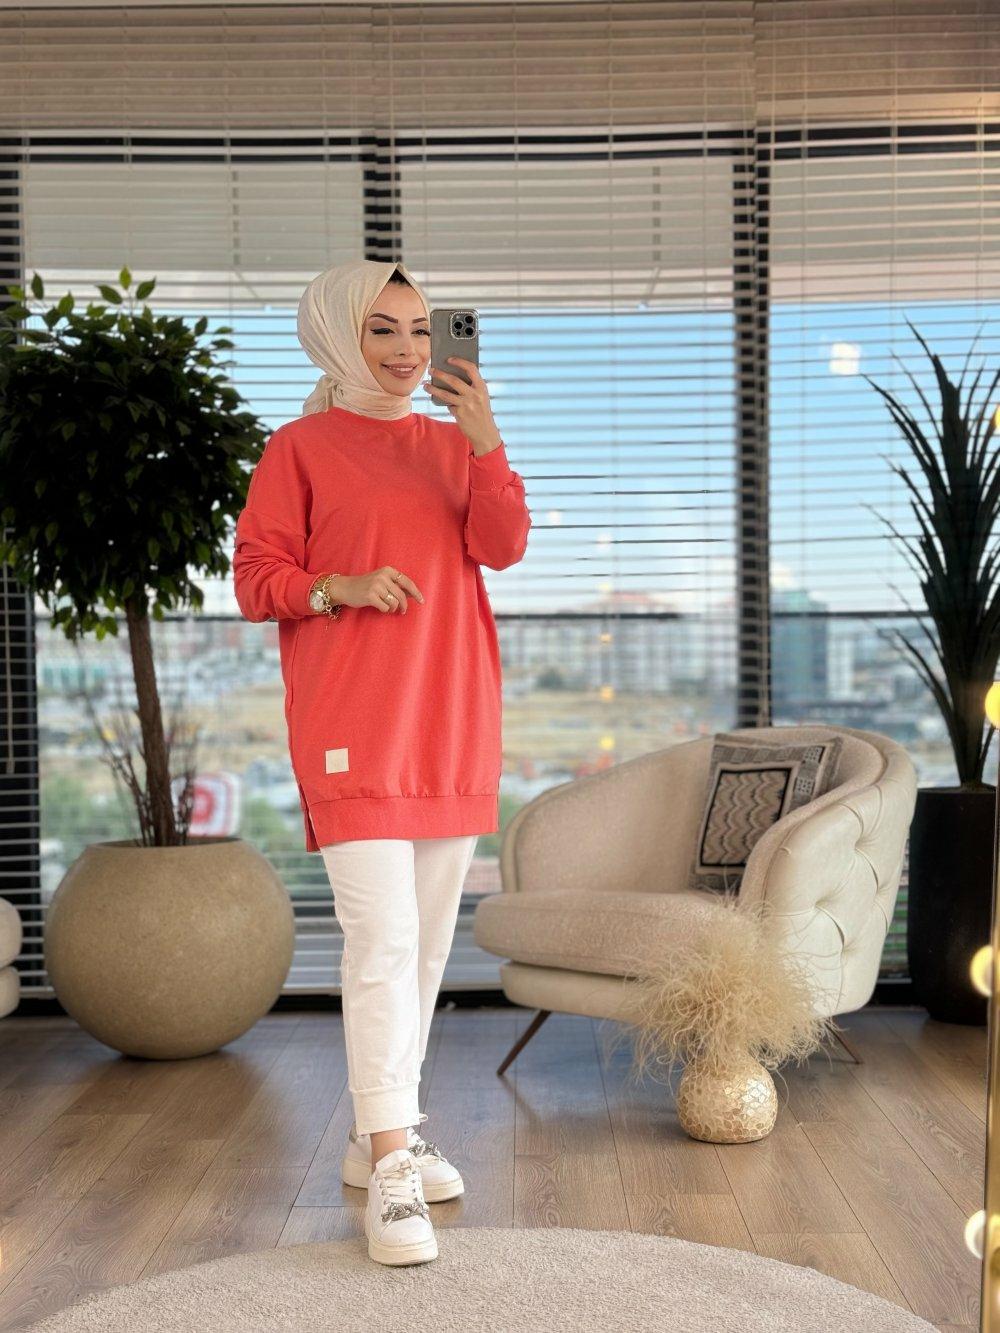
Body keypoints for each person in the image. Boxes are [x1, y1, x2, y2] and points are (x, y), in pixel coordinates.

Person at [232, 258, 531, 1266]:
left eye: (418, 330)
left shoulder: (454, 446)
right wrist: (341, 586)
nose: (407, 351)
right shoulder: (299, 449)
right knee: (382, 940)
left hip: (451, 718)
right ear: (338, 336)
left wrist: (484, 439)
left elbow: (504, 545)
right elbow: (256, 578)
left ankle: (377, 1137)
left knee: (428, 948)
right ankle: (394, 1164)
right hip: (352, 724)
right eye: (382, 330)